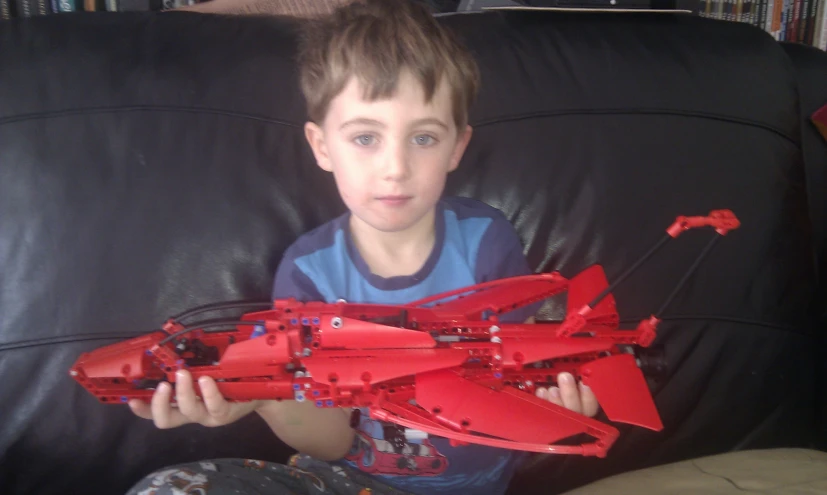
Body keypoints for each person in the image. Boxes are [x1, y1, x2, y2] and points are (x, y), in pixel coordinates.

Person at [126, 1, 598, 494]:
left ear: (457, 146)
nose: (395, 167)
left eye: (423, 138)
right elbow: (334, 443)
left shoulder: (486, 241)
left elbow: (520, 377)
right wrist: (264, 398)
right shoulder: (309, 274)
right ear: (322, 145)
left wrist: (556, 404)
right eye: (366, 137)